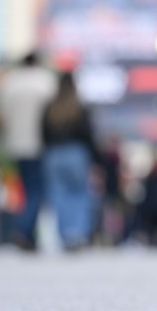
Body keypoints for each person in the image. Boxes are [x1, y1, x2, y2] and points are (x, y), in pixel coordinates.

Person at [0, 52, 57, 251]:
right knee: (36, 191)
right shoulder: (47, 82)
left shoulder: (10, 83)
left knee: (26, 189)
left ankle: (27, 234)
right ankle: (23, 230)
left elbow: (2, 118)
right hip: (41, 145)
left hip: (17, 145)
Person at [41, 71, 101, 251]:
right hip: (76, 154)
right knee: (80, 194)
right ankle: (77, 233)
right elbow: (88, 135)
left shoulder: (50, 107)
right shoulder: (79, 108)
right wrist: (96, 159)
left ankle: (65, 233)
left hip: (54, 154)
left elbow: (43, 133)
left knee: (59, 196)